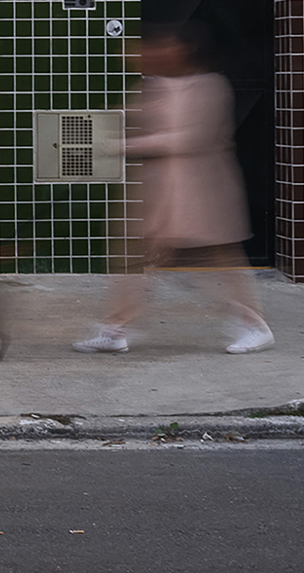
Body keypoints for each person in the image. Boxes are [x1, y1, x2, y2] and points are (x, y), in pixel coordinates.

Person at [75, 26, 274, 356]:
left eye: (165, 47)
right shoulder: (153, 86)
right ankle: (115, 328)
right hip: (155, 195)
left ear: (187, 51)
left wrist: (123, 145)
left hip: (196, 194)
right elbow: (131, 116)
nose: (155, 54)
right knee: (130, 259)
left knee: (213, 262)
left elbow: (186, 138)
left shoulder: (210, 86)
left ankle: (255, 325)